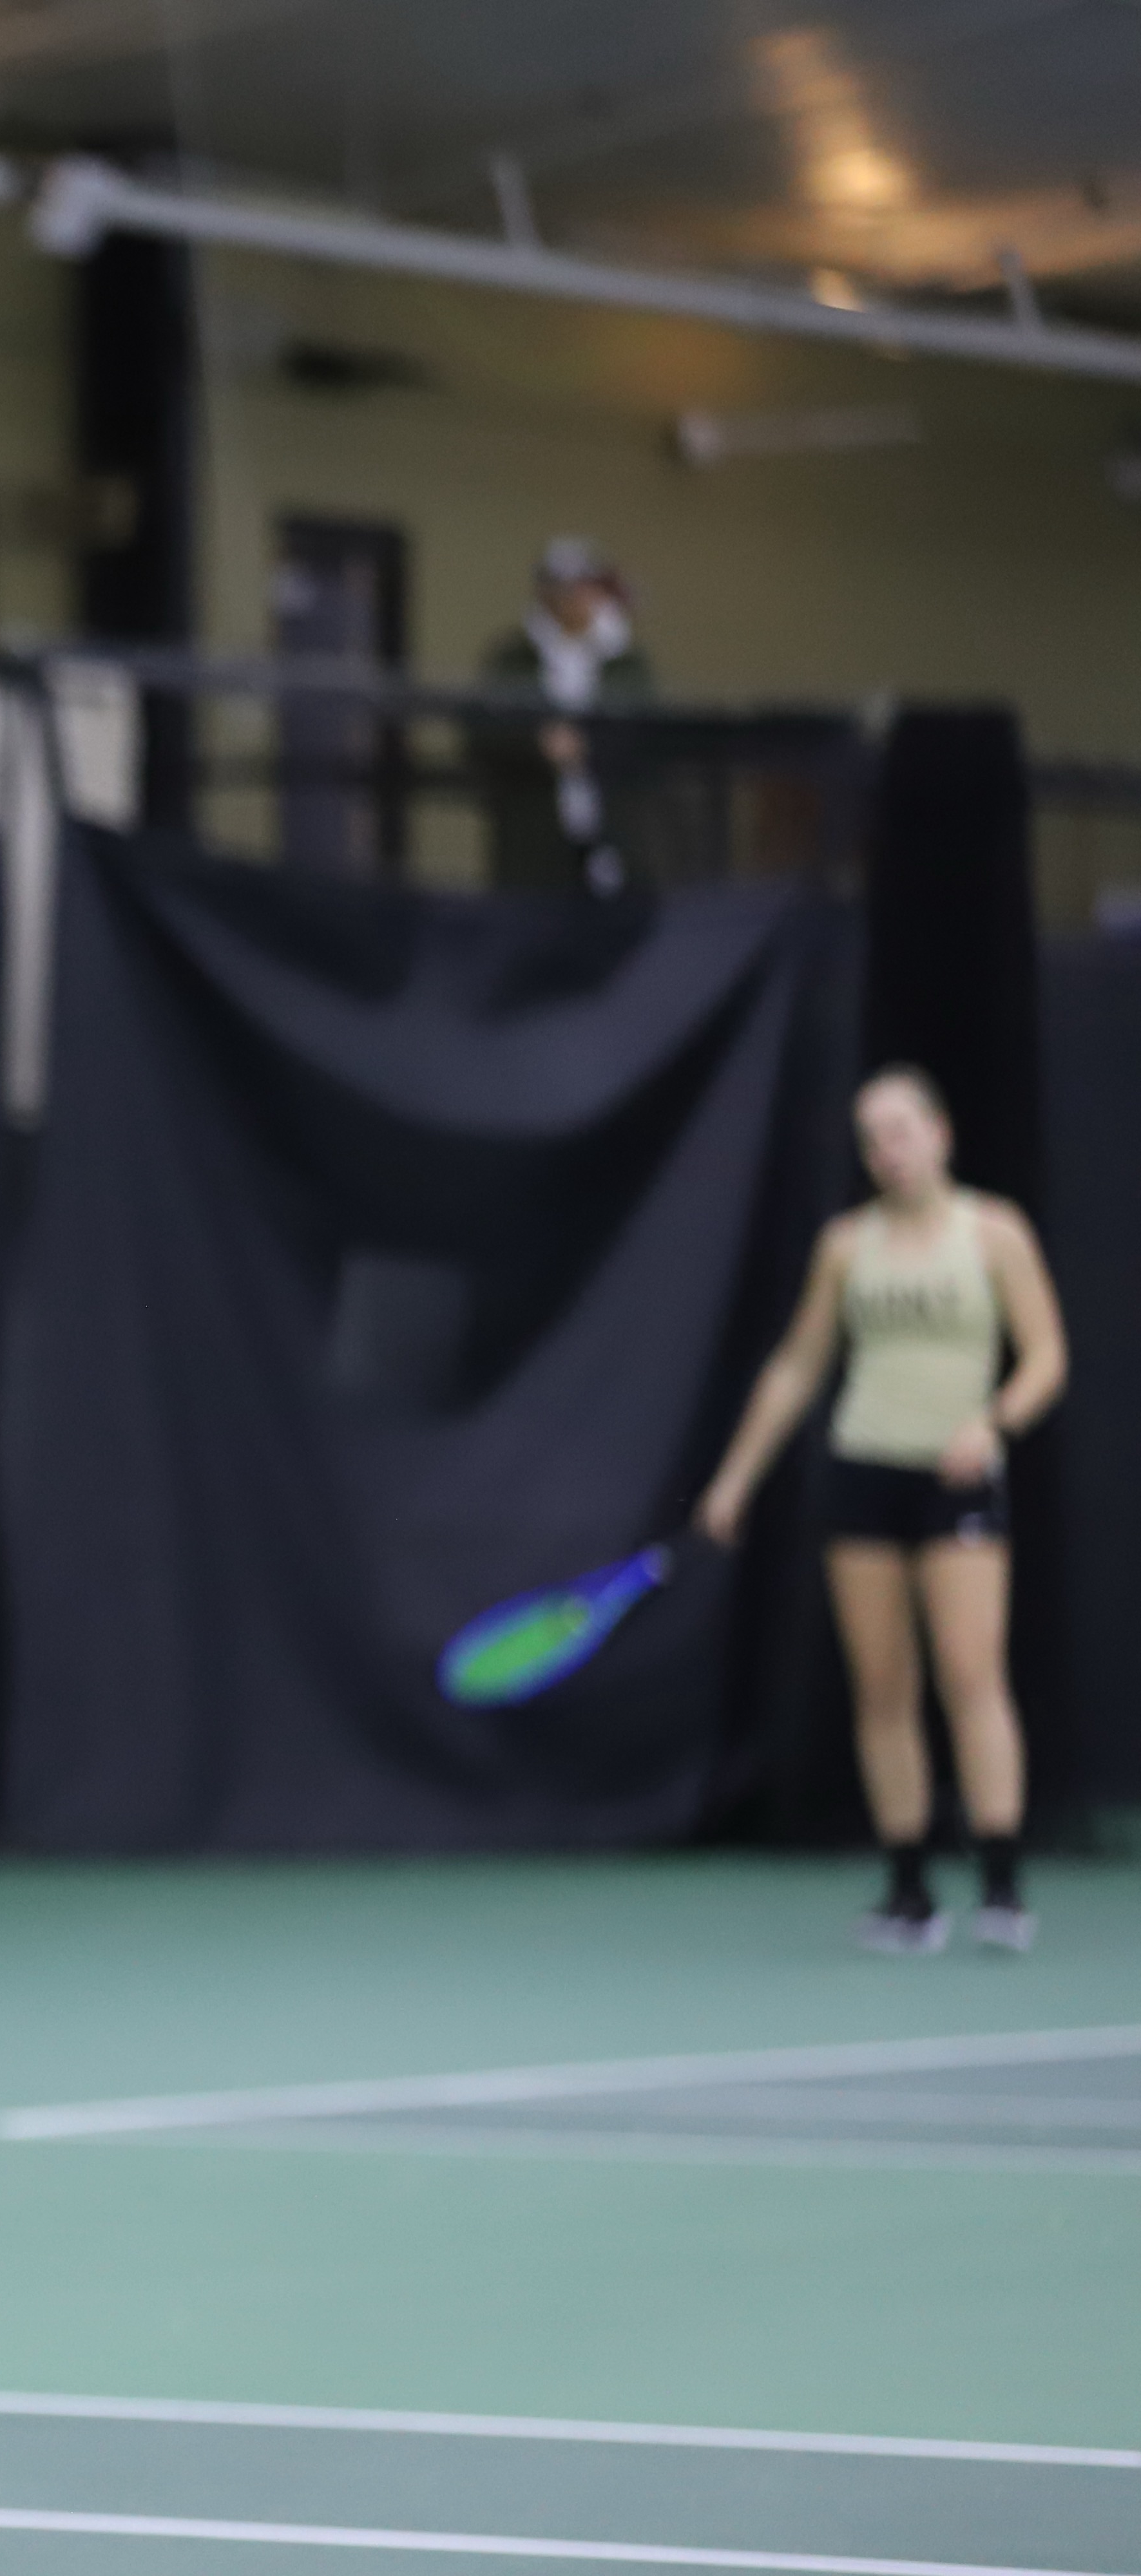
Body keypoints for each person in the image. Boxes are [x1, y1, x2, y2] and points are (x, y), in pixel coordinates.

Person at [697, 1066, 1069, 1953]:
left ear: (941, 1134)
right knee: (882, 1687)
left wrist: (993, 1422)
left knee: (971, 1676)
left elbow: (1047, 1354)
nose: (887, 1152)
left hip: (958, 1479)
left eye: (902, 1130)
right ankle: (909, 1894)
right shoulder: (845, 1245)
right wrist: (734, 1479)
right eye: (871, 1137)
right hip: (864, 1475)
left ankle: (1003, 1886)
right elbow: (797, 1366)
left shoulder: (995, 1232)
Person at [474, 535, 654, 896]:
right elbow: (482, 732)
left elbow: (649, 735)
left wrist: (590, 744)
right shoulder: (513, 658)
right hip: (534, 835)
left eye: (591, 587)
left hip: (615, 827)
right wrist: (538, 744)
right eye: (574, 588)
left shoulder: (627, 662)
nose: (583, 599)